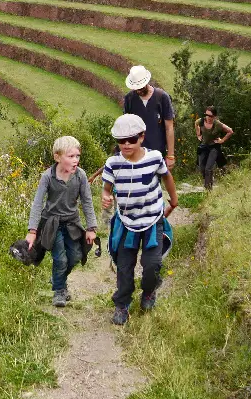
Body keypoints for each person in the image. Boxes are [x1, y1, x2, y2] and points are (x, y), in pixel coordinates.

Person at [102, 114, 178, 326]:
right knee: (125, 267)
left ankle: (149, 292)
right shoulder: (113, 164)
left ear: (142, 137)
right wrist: (106, 199)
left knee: (152, 265)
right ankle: (122, 304)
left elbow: (166, 177)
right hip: (127, 224)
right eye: (121, 140)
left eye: (132, 139)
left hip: (153, 221)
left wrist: (174, 199)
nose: (126, 144)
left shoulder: (154, 158)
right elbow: (106, 190)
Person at [25, 136, 98, 307]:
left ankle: (58, 278)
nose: (76, 161)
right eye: (71, 156)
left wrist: (91, 227)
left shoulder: (80, 176)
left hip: (72, 223)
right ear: (58, 157)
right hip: (52, 223)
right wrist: (32, 231)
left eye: (77, 156)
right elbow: (37, 204)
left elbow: (87, 202)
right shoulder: (47, 177)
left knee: (76, 256)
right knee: (61, 259)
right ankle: (59, 291)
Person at [121, 65, 176, 169]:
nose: (139, 91)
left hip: (157, 153)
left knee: (155, 184)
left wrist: (170, 155)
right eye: (136, 88)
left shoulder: (162, 97)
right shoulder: (129, 99)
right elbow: (126, 126)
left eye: (141, 87)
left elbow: (169, 127)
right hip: (136, 153)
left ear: (146, 82)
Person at [194, 106, 233, 190]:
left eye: (210, 116)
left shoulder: (218, 124)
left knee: (208, 168)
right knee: (201, 167)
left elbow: (230, 131)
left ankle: (208, 189)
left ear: (214, 116)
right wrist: (198, 134)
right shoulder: (201, 121)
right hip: (204, 146)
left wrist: (222, 140)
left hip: (214, 147)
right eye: (206, 115)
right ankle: (209, 180)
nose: (208, 117)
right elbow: (196, 124)